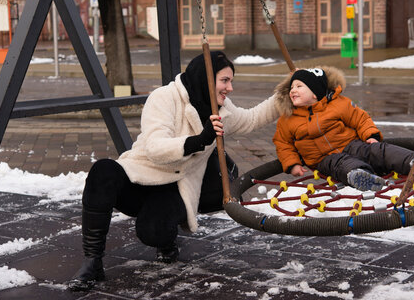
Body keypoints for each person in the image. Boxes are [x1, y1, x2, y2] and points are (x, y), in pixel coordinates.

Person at [68, 51, 279, 291]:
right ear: (205, 79)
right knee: (102, 171)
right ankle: (92, 261)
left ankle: (166, 241)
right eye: (225, 80)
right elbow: (155, 147)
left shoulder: (222, 110)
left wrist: (289, 93)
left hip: (178, 183)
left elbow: (252, 118)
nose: (230, 88)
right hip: (142, 173)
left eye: (231, 81)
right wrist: (199, 140)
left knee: (153, 232)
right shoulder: (164, 97)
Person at [272, 66, 414, 191]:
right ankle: (362, 177)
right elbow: (282, 143)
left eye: (299, 86)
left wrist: (371, 134)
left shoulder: (338, 104)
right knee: (342, 165)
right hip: (323, 159)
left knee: (376, 150)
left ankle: (412, 161)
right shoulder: (287, 119)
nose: (293, 90)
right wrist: (292, 164)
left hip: (350, 144)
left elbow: (359, 118)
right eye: (292, 87)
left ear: (315, 93)